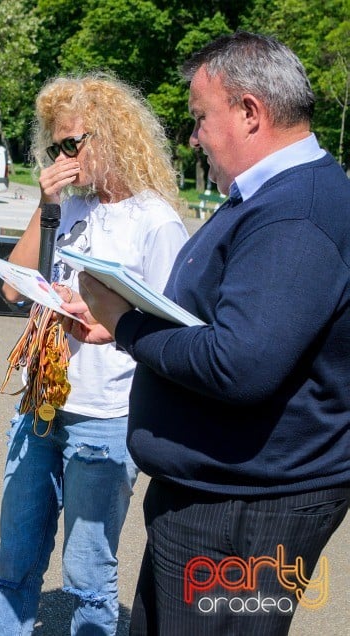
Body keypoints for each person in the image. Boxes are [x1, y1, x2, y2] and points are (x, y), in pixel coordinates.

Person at [76, 32, 350, 635]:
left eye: (201, 118)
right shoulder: (271, 197)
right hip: (220, 497)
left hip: (246, 511)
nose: (194, 135)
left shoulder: (296, 211)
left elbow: (238, 363)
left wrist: (126, 323)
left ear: (250, 112)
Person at [0, 74, 188, 636]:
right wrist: (45, 204)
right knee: (13, 561)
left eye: (75, 143)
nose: (65, 158)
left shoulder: (155, 220)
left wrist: (104, 320)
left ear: (117, 136)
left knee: (87, 575)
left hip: (106, 413)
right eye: (57, 147)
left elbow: (173, 331)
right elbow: (11, 288)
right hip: (41, 403)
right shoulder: (70, 208)